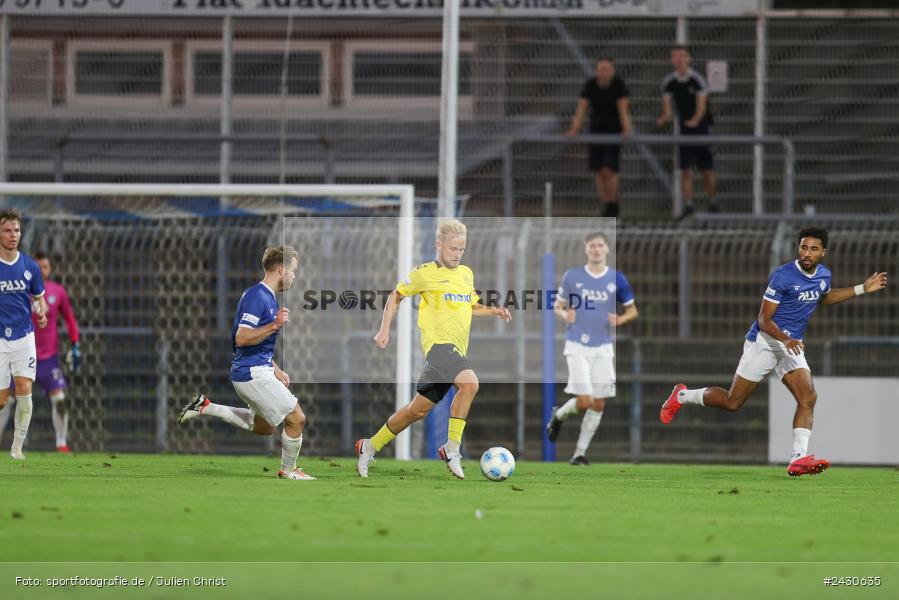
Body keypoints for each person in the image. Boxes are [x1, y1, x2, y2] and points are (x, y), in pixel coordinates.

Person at [660, 227, 888, 476]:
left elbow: (824, 297)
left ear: (823, 252)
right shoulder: (782, 276)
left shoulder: (824, 274)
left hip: (791, 344)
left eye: (813, 248)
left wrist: (862, 289)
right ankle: (682, 396)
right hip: (766, 342)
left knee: (808, 397)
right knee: (732, 402)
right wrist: (786, 339)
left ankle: (797, 459)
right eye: (803, 247)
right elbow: (763, 320)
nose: (807, 253)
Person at [355, 219, 512, 479]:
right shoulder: (424, 273)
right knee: (470, 384)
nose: (458, 254)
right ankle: (451, 448)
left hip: (455, 353)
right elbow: (396, 296)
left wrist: (494, 310)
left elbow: (469, 305)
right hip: (439, 348)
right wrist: (384, 329)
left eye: (462, 249)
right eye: (453, 249)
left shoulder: (466, 274)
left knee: (417, 410)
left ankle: (369, 445)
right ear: (439, 244)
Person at [177, 246, 315, 481]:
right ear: (281, 269)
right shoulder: (258, 297)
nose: (294, 276)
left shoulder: (265, 297)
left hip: (253, 371)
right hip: (252, 374)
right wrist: (274, 325)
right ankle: (289, 470)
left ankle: (207, 407)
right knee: (297, 418)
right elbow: (242, 338)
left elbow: (256, 344)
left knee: (266, 427)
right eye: (293, 270)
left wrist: (276, 369)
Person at [545, 231, 638, 465]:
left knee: (599, 402)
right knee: (585, 400)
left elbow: (632, 311)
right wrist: (566, 315)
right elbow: (558, 305)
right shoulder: (573, 276)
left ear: (607, 249)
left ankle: (579, 454)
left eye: (600, 245)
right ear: (586, 250)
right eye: (591, 246)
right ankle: (558, 415)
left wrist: (620, 319)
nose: (596, 249)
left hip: (603, 346)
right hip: (577, 344)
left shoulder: (618, 279)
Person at [0, 252, 81, 453]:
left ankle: (61, 443)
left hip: (48, 359)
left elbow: (70, 319)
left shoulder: (57, 292)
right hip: (17, 350)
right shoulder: (18, 288)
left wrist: (75, 344)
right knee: (6, 401)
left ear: (49, 268)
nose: (42, 270)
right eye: (39, 266)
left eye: (45, 267)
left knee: (60, 399)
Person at [0, 208, 48, 460]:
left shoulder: (30, 266)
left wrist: (42, 313)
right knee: (1, 399)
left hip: (24, 336)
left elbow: (41, 300)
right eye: (7, 230)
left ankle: (17, 448)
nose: (13, 234)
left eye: (16, 230)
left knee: (24, 388)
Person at [657, 45, 718, 219]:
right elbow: (668, 109)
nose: (679, 60)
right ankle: (689, 205)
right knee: (685, 170)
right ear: (671, 60)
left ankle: (712, 201)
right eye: (675, 56)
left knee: (706, 169)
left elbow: (702, 106)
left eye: (682, 56)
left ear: (688, 59)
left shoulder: (697, 79)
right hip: (684, 130)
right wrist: (664, 118)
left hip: (702, 128)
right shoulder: (669, 82)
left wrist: (696, 120)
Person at [566, 58, 632, 218]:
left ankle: (613, 204)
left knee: (608, 170)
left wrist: (626, 129)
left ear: (612, 71)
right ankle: (607, 205)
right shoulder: (591, 85)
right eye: (601, 69)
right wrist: (574, 129)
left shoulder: (618, 85)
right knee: (598, 172)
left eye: (607, 69)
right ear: (597, 71)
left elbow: (623, 109)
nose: (604, 73)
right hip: (595, 132)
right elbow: (581, 108)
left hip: (613, 133)